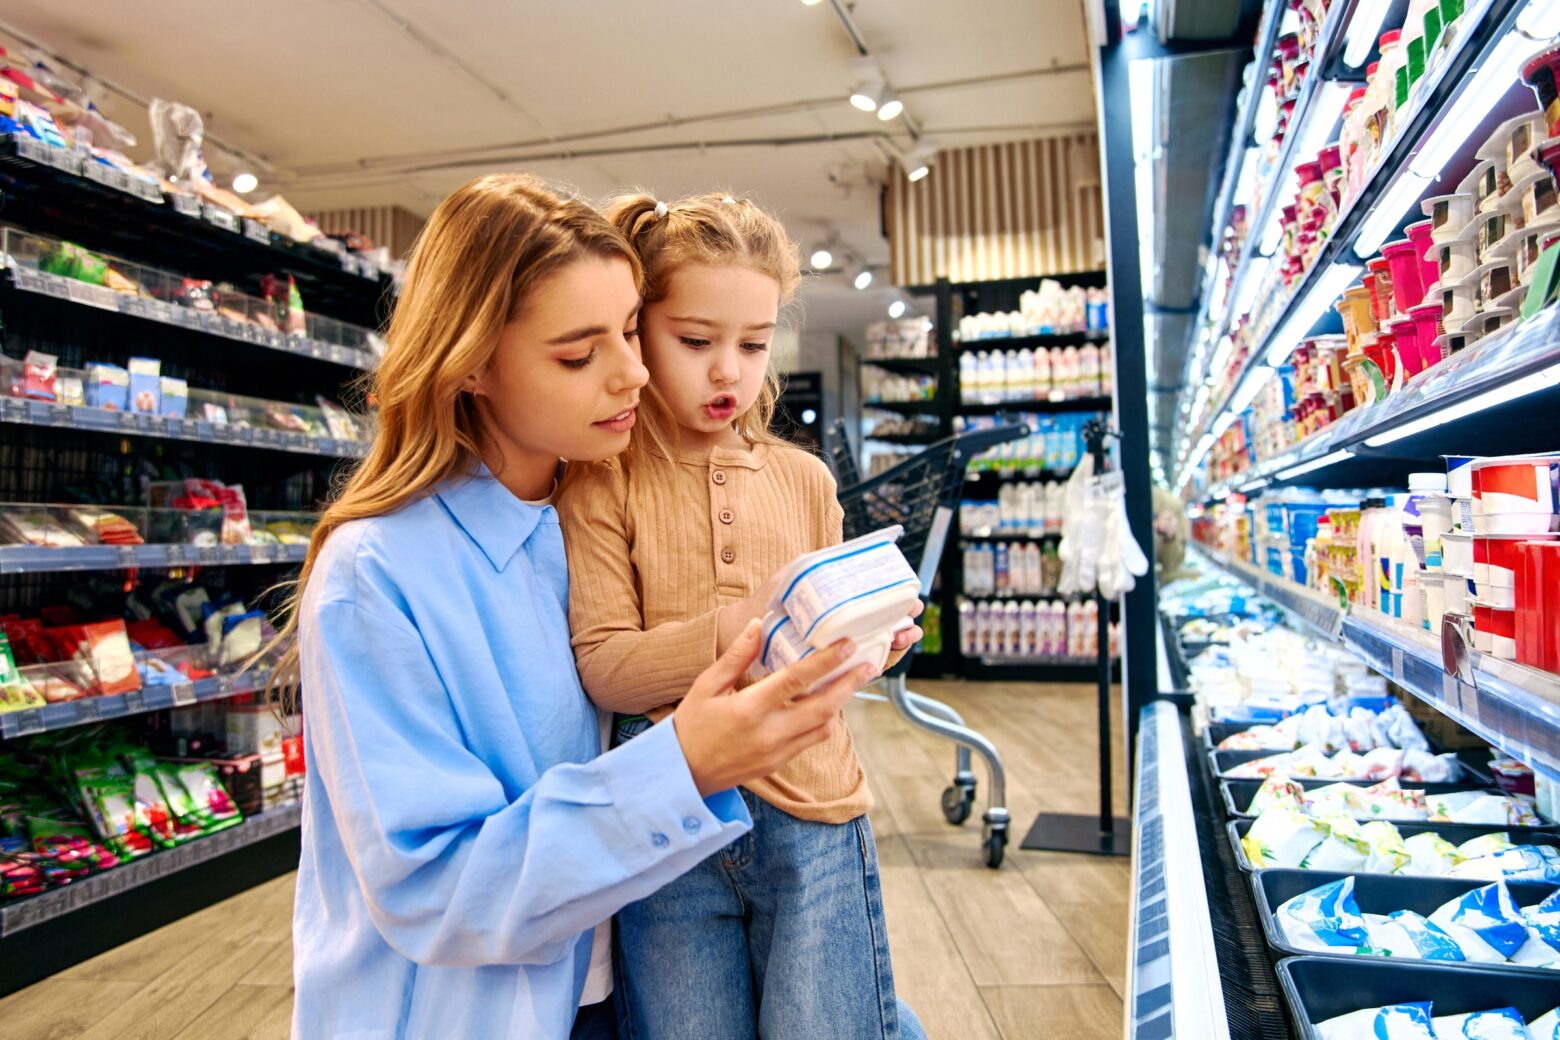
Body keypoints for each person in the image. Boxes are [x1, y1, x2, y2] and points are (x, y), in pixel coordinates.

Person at [274, 174, 879, 1040]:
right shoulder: (378, 572)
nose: (634, 372)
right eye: (577, 353)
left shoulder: (586, 512)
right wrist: (685, 764)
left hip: (606, 990)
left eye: (633, 329)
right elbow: (432, 890)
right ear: (472, 363)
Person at [558, 191, 925, 1040]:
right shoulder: (600, 480)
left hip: (815, 807)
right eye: (696, 342)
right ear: (637, 329)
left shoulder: (806, 481)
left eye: (754, 345)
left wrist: (873, 643)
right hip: (666, 823)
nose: (729, 370)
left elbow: (832, 660)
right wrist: (740, 626)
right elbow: (606, 665)